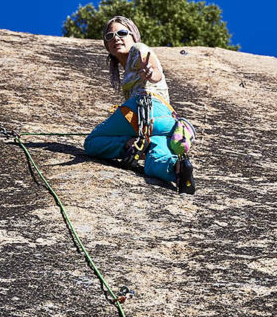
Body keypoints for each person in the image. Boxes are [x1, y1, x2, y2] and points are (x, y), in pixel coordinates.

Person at [83, 17, 196, 193]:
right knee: (153, 163)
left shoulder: (139, 49)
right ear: (106, 45)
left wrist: (150, 73)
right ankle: (179, 169)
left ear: (134, 36)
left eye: (121, 33)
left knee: (92, 142)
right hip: (165, 122)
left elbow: (155, 71)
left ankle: (130, 144)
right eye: (110, 36)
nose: (115, 38)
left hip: (141, 111)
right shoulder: (128, 65)